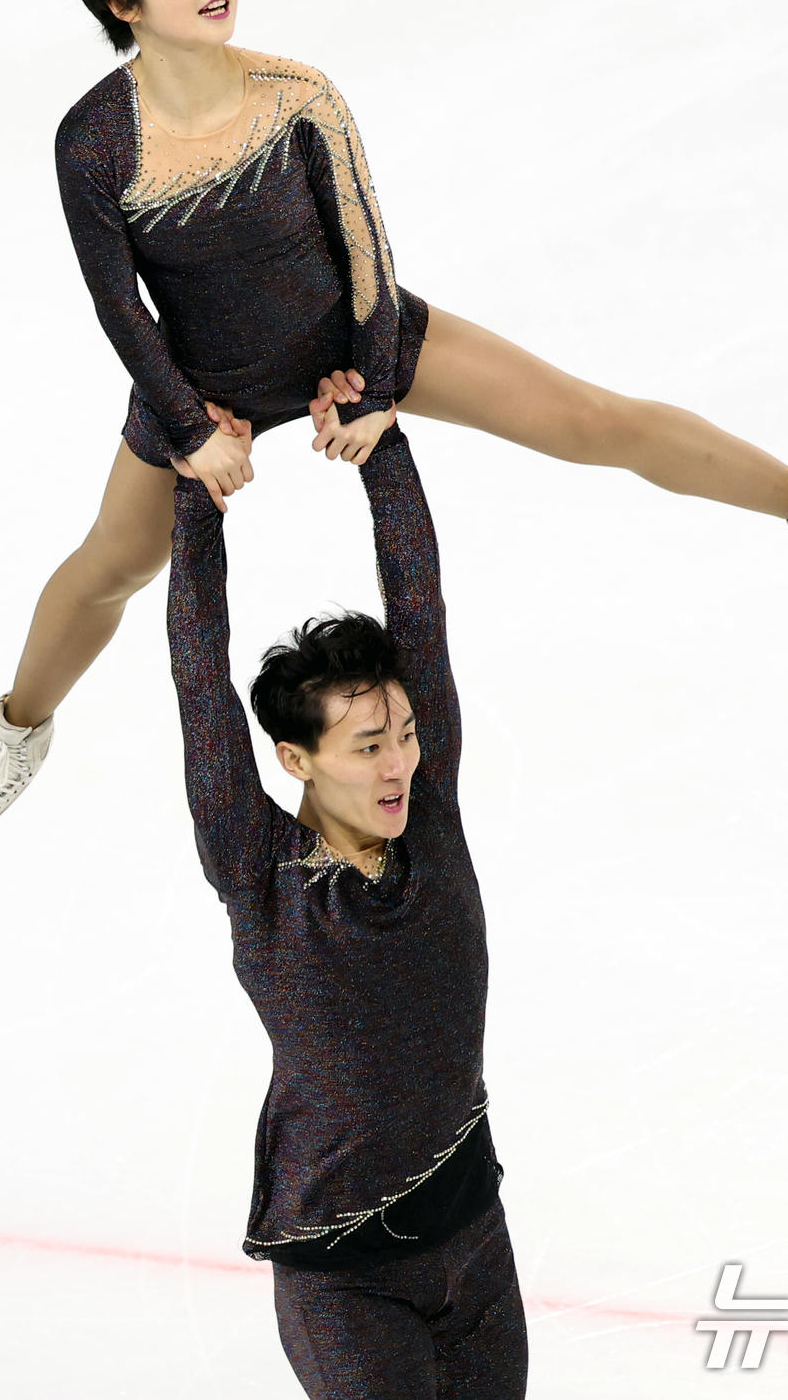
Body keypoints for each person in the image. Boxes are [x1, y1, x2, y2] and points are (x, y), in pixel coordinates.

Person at [0, 0, 788, 868]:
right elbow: (120, 304)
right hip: (206, 384)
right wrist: (191, 428)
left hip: (354, 339)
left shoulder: (298, 94)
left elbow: (366, 248)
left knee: (591, 419)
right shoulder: (94, 142)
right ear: (124, 2)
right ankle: (16, 728)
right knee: (110, 565)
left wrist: (375, 384)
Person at [169, 411, 526, 1398]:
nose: (398, 761)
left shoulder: (429, 822)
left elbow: (418, 602)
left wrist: (383, 446)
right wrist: (197, 504)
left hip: (476, 1246)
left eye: (403, 733)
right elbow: (199, 673)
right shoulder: (258, 867)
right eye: (367, 745)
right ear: (296, 758)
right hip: (345, 1278)